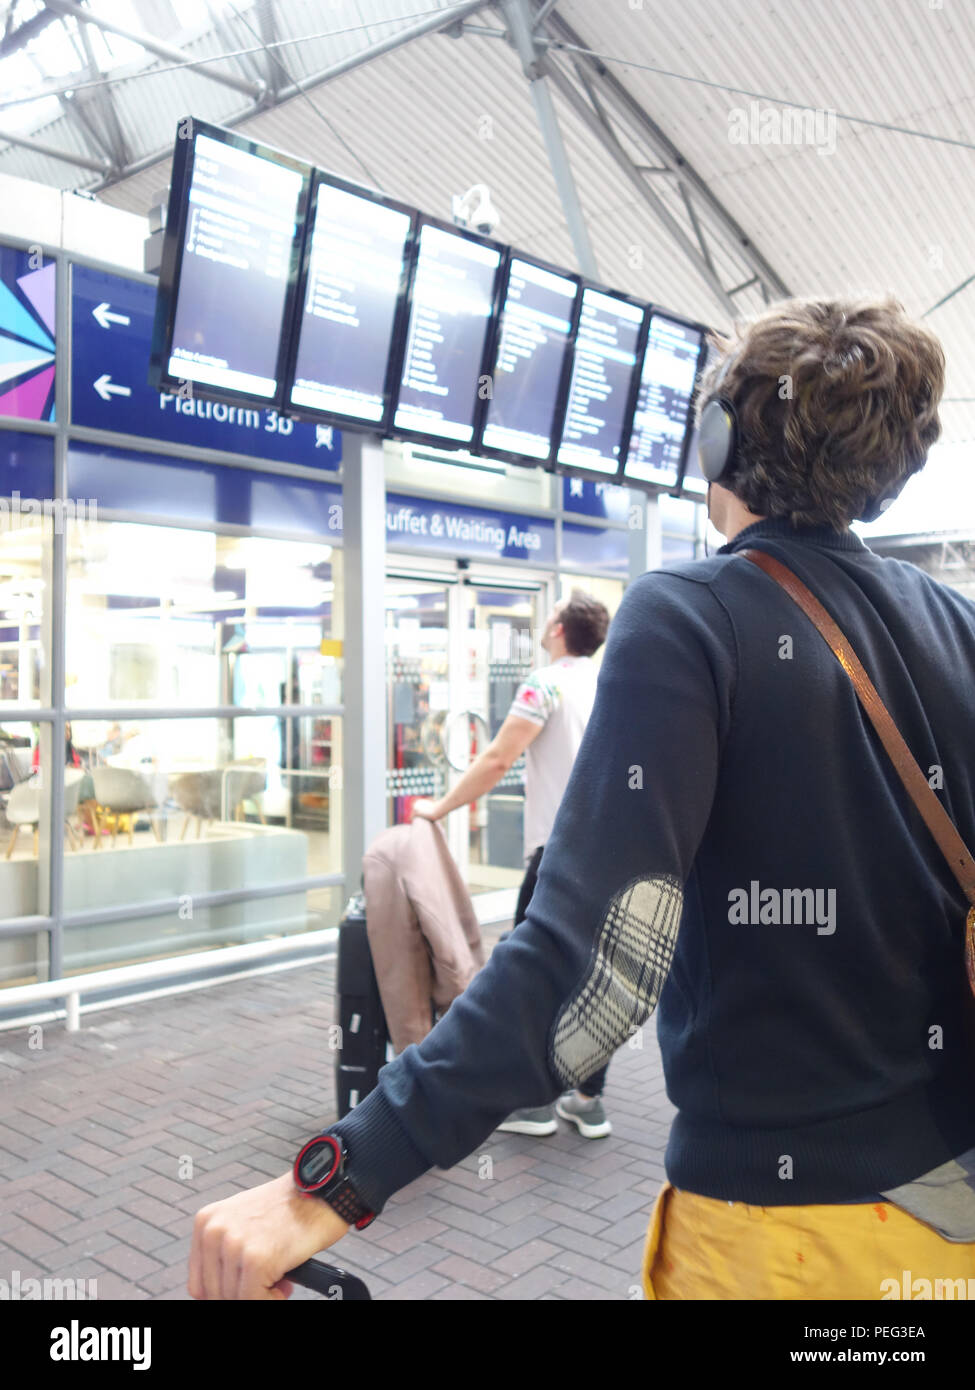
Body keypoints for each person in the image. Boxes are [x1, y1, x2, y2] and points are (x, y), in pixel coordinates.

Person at [188, 295, 975, 1301]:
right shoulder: (958, 626)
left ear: (718, 439)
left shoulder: (692, 612)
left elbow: (596, 970)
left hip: (786, 1245)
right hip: (947, 1218)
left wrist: (338, 1175)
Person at [411, 588, 613, 1139]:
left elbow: (499, 757)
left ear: (557, 631)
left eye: (549, 618)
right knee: (594, 972)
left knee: (533, 970)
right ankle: (589, 1098)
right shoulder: (610, 681)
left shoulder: (544, 685)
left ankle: (537, 1103)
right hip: (610, 851)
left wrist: (442, 806)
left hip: (558, 853)